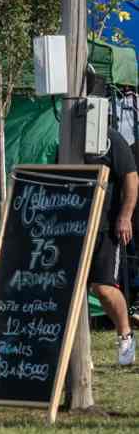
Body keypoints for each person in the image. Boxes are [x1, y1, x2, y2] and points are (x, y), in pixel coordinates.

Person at [86, 127, 138, 365]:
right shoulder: (68, 135)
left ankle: (125, 335)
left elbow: (131, 177)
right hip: (74, 228)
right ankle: (78, 355)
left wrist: (125, 216)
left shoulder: (111, 138)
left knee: (103, 288)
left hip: (106, 228)